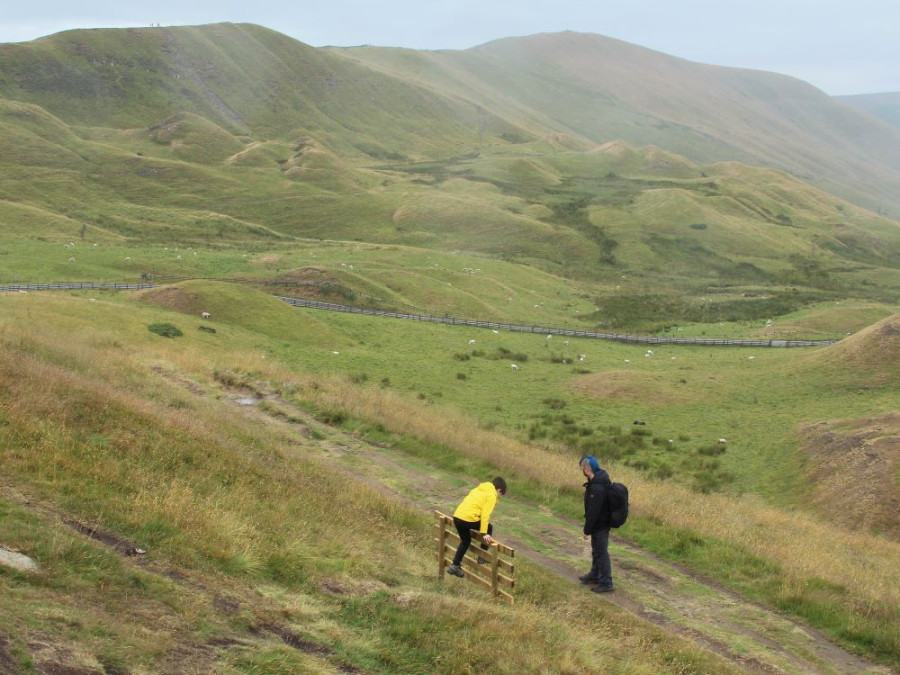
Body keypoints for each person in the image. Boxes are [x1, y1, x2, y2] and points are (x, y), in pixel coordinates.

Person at [446, 477, 507, 577]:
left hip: (457, 517)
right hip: (467, 519)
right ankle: (482, 556)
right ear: (499, 490)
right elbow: (485, 515)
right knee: (489, 527)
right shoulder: (492, 495)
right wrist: (484, 533)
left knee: (465, 541)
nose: (499, 496)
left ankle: (455, 566)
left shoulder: (478, 489)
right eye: (500, 494)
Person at [579, 455, 614, 593]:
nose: (581, 470)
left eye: (582, 467)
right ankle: (595, 575)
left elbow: (593, 512)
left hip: (601, 524)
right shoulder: (597, 481)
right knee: (597, 550)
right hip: (601, 524)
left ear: (587, 468)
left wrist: (586, 530)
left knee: (601, 552)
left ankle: (606, 582)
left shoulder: (597, 487)